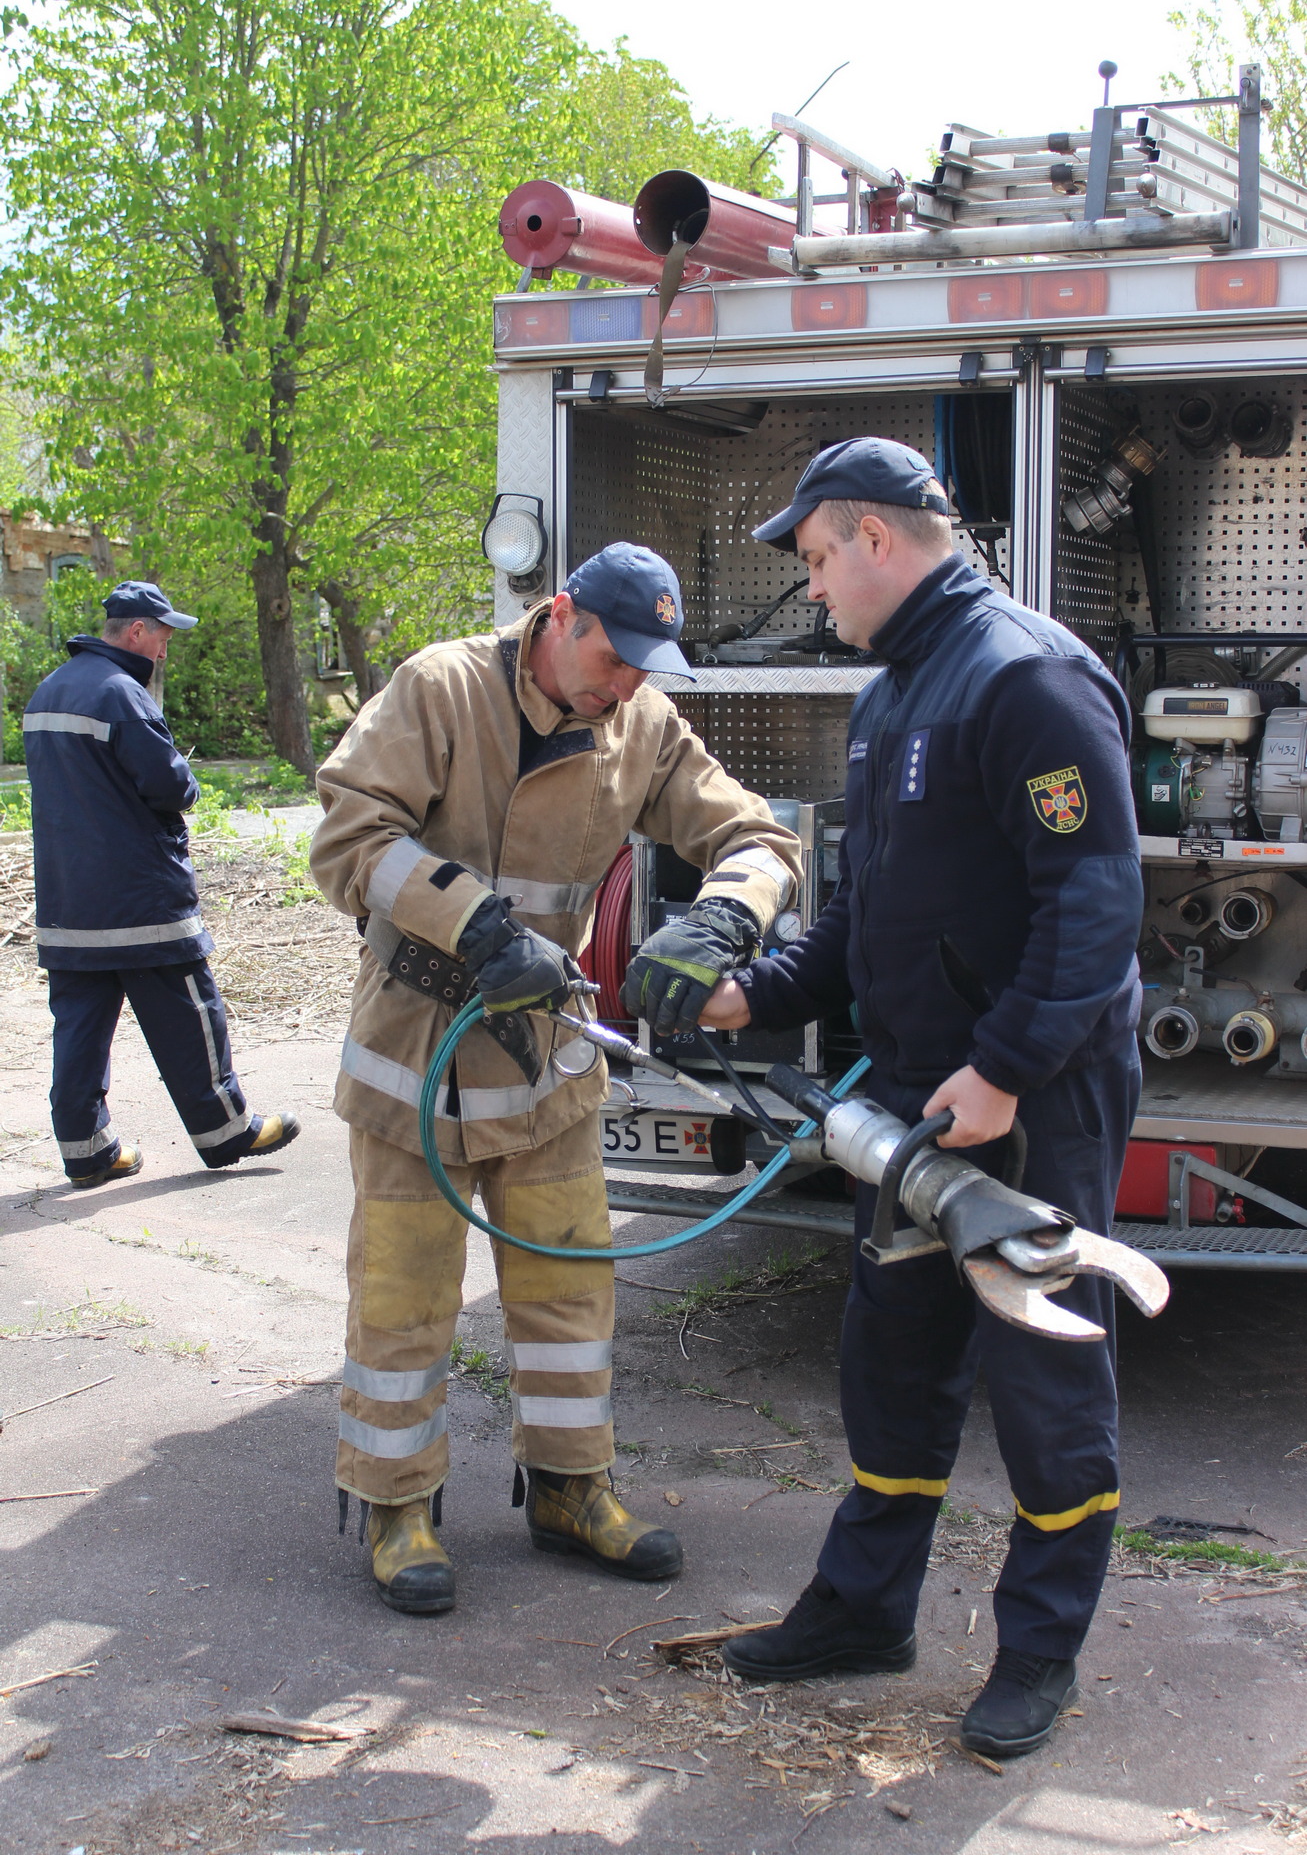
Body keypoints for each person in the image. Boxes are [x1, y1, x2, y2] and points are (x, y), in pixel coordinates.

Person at [702, 439, 1143, 1760]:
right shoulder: (895, 690)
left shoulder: (1024, 677)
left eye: (816, 558)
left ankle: (1037, 1655)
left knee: (1044, 1381)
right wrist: (751, 996)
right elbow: (865, 911)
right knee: (890, 1361)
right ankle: (860, 1611)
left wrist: (1003, 1069)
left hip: (1030, 1098)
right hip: (909, 1092)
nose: (811, 588)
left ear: (872, 538)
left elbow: (1095, 900)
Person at [311, 542, 801, 1616]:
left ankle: (572, 1491)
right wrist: (479, 925)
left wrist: (724, 915)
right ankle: (396, 1504)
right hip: (416, 1059)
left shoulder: (640, 723)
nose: (622, 684)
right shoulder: (442, 688)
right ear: (559, 615)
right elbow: (349, 838)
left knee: (570, 1290)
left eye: (642, 668)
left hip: (547, 1068)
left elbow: (757, 834)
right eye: (613, 656)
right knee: (402, 1296)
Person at [24, 580, 301, 1187]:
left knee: (79, 1027)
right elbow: (170, 786)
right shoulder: (122, 694)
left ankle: (87, 1150)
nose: (167, 648)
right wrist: (188, 782)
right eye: (163, 635)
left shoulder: (49, 691)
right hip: (140, 899)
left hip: (68, 903)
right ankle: (228, 1129)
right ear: (135, 631)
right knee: (190, 1011)